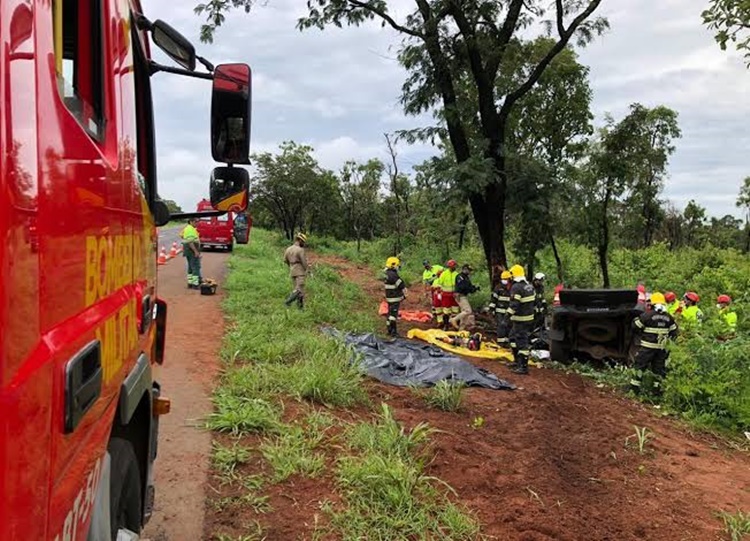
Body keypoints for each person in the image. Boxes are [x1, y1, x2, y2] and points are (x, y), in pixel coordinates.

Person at [629, 292, 678, 397]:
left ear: (652, 303)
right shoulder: (669, 317)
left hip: (647, 348)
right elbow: (674, 333)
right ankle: (657, 392)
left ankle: (634, 390)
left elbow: (635, 326)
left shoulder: (647, 315)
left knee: (639, 366)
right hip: (661, 350)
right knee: (659, 370)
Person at [506, 264, 536, 375]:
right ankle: (517, 361)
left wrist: (506, 317)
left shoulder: (516, 287)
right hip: (528, 318)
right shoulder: (529, 286)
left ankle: (523, 367)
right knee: (512, 338)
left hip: (520, 319)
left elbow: (514, 305)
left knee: (521, 342)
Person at [450, 264, 480, 331]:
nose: (469, 272)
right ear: (464, 269)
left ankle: (461, 329)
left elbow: (468, 287)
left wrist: (474, 288)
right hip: (459, 295)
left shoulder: (466, 277)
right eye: (468, 270)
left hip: (463, 295)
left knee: (464, 312)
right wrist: (470, 289)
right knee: (468, 311)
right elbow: (463, 287)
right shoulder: (460, 276)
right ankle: (454, 320)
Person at [283, 232, 308, 309]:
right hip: (300, 271)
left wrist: (291, 266)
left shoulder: (288, 249)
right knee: (299, 290)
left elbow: (285, 260)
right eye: (303, 242)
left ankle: (300, 308)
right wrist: (307, 269)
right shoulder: (300, 250)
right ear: (300, 240)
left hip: (292, 270)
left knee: (298, 290)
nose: (303, 243)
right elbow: (304, 262)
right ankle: (287, 302)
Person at [383, 257, 406, 337]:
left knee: (389, 314)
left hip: (389, 297)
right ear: (393, 265)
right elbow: (400, 284)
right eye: (397, 265)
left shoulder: (387, 273)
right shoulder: (393, 274)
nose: (398, 266)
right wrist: (404, 290)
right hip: (394, 297)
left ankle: (389, 330)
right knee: (393, 315)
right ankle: (393, 332)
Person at [489, 270, 512, 346]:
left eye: (506, 279)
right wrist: (491, 310)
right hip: (500, 311)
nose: (505, 281)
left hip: (508, 312)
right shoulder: (498, 288)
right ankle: (501, 342)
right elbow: (493, 300)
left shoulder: (512, 288)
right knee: (501, 326)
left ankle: (507, 342)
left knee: (508, 326)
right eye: (504, 279)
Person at [434, 259, 459, 330]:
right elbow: (439, 283)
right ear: (449, 266)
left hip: (454, 295)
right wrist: (439, 291)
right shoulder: (444, 274)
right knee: (446, 311)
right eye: (453, 266)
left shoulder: (457, 274)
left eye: (454, 266)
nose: (454, 267)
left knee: (455, 310)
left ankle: (454, 324)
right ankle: (446, 325)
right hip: (446, 295)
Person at [181, 217, 202, 289]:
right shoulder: (190, 229)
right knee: (195, 267)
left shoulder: (187, 228)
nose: (197, 223)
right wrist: (196, 251)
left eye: (198, 221)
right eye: (196, 221)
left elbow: (181, 235)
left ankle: (190, 283)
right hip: (192, 250)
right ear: (191, 221)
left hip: (187, 250)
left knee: (190, 267)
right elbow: (190, 242)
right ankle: (195, 284)